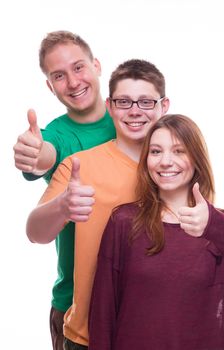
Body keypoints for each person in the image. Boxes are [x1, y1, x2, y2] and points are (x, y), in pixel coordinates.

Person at [26, 60, 224, 349]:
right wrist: (62, 206)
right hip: (86, 334)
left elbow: (186, 248)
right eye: (124, 101)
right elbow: (35, 233)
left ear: (164, 105)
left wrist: (222, 218)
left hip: (156, 333)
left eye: (146, 102)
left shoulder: (172, 171)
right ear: (109, 106)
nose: (135, 111)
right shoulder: (80, 167)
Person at [88, 114, 224, 350]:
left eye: (179, 151)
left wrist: (214, 222)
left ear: (196, 159)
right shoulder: (124, 221)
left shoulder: (220, 225)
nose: (165, 161)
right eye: (155, 151)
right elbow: (103, 313)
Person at [13, 30, 116, 350]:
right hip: (76, 305)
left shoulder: (133, 116)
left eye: (79, 67)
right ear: (50, 85)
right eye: (59, 75)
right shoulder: (57, 136)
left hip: (137, 296)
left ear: (97, 65)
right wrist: (35, 153)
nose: (73, 82)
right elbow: (44, 155)